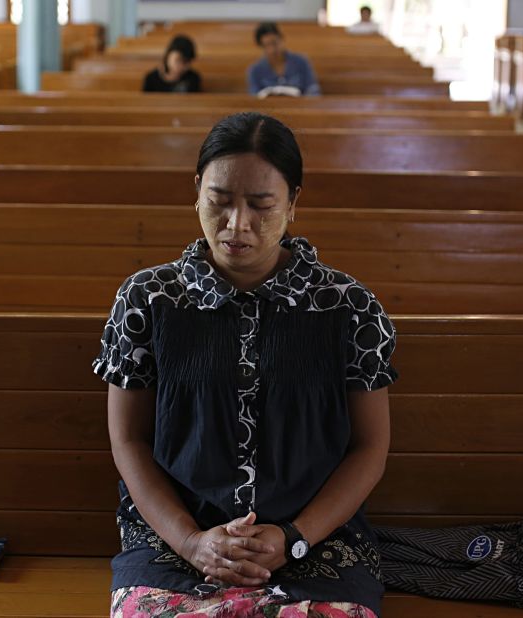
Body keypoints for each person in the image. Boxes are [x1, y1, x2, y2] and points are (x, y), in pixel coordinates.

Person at [94, 112, 396, 617]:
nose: (237, 225)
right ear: (196, 191)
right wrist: (191, 541)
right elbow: (128, 439)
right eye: (219, 201)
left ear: (294, 203)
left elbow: (370, 446)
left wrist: (293, 537)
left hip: (316, 543)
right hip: (173, 540)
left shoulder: (349, 307)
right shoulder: (148, 298)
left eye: (261, 206)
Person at [247, 23, 321, 96]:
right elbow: (254, 97)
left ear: (282, 39)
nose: (272, 50)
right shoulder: (255, 70)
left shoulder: (301, 62)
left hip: (299, 106)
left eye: (274, 43)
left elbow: (313, 89)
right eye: (266, 46)